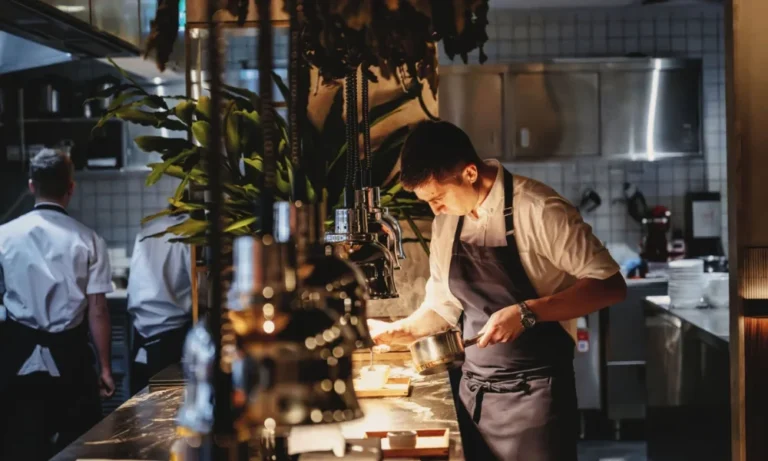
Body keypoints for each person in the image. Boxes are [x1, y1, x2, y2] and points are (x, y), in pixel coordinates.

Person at [368, 121, 627, 461]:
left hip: (536, 399)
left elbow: (610, 286)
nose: (435, 209)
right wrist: (402, 330)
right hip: (474, 394)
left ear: (470, 173)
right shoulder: (448, 221)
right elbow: (445, 304)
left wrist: (527, 312)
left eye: (438, 197)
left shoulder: (540, 209)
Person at [0, 149, 115, 461]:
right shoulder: (89, 240)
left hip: (16, 361)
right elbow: (98, 310)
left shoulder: (3, 236)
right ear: (71, 187)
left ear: (31, 186)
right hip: (72, 363)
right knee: (81, 449)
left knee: (18, 449)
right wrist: (105, 368)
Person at [127, 207, 192, 395]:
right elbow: (198, 288)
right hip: (172, 340)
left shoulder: (147, 230)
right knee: (169, 411)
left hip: (141, 335)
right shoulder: (188, 234)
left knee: (139, 412)